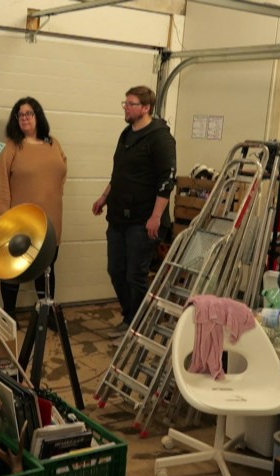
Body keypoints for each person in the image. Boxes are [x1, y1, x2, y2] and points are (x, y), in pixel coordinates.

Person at [92, 86, 176, 337]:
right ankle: (131, 316)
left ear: (146, 108)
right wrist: (104, 197)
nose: (126, 107)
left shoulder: (161, 138)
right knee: (115, 270)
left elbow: (166, 180)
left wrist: (156, 216)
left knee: (135, 274)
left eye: (131, 103)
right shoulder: (126, 134)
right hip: (119, 215)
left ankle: (137, 325)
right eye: (125, 103)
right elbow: (119, 173)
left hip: (144, 219)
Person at [0, 96, 67, 325]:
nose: (24, 118)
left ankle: (47, 313)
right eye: (20, 114)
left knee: (46, 266)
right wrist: (3, 214)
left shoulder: (53, 143)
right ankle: (9, 315)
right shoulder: (12, 146)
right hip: (20, 221)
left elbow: (62, 172)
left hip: (50, 218)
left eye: (29, 113)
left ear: (38, 117)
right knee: (13, 268)